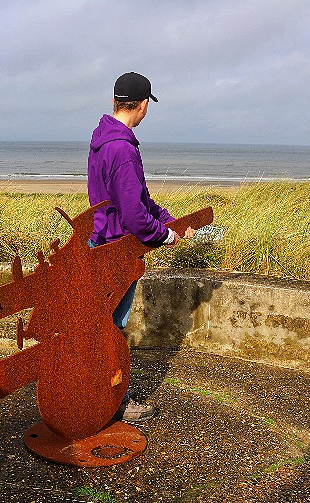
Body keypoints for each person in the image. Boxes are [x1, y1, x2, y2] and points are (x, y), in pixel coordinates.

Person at [87, 72, 195, 423]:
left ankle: (96, 392)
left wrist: (168, 220)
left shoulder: (105, 138)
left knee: (101, 325)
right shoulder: (122, 148)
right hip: (116, 251)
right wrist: (165, 236)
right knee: (111, 329)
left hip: (100, 241)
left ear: (115, 101)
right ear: (143, 104)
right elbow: (134, 214)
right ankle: (113, 400)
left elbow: (139, 199)